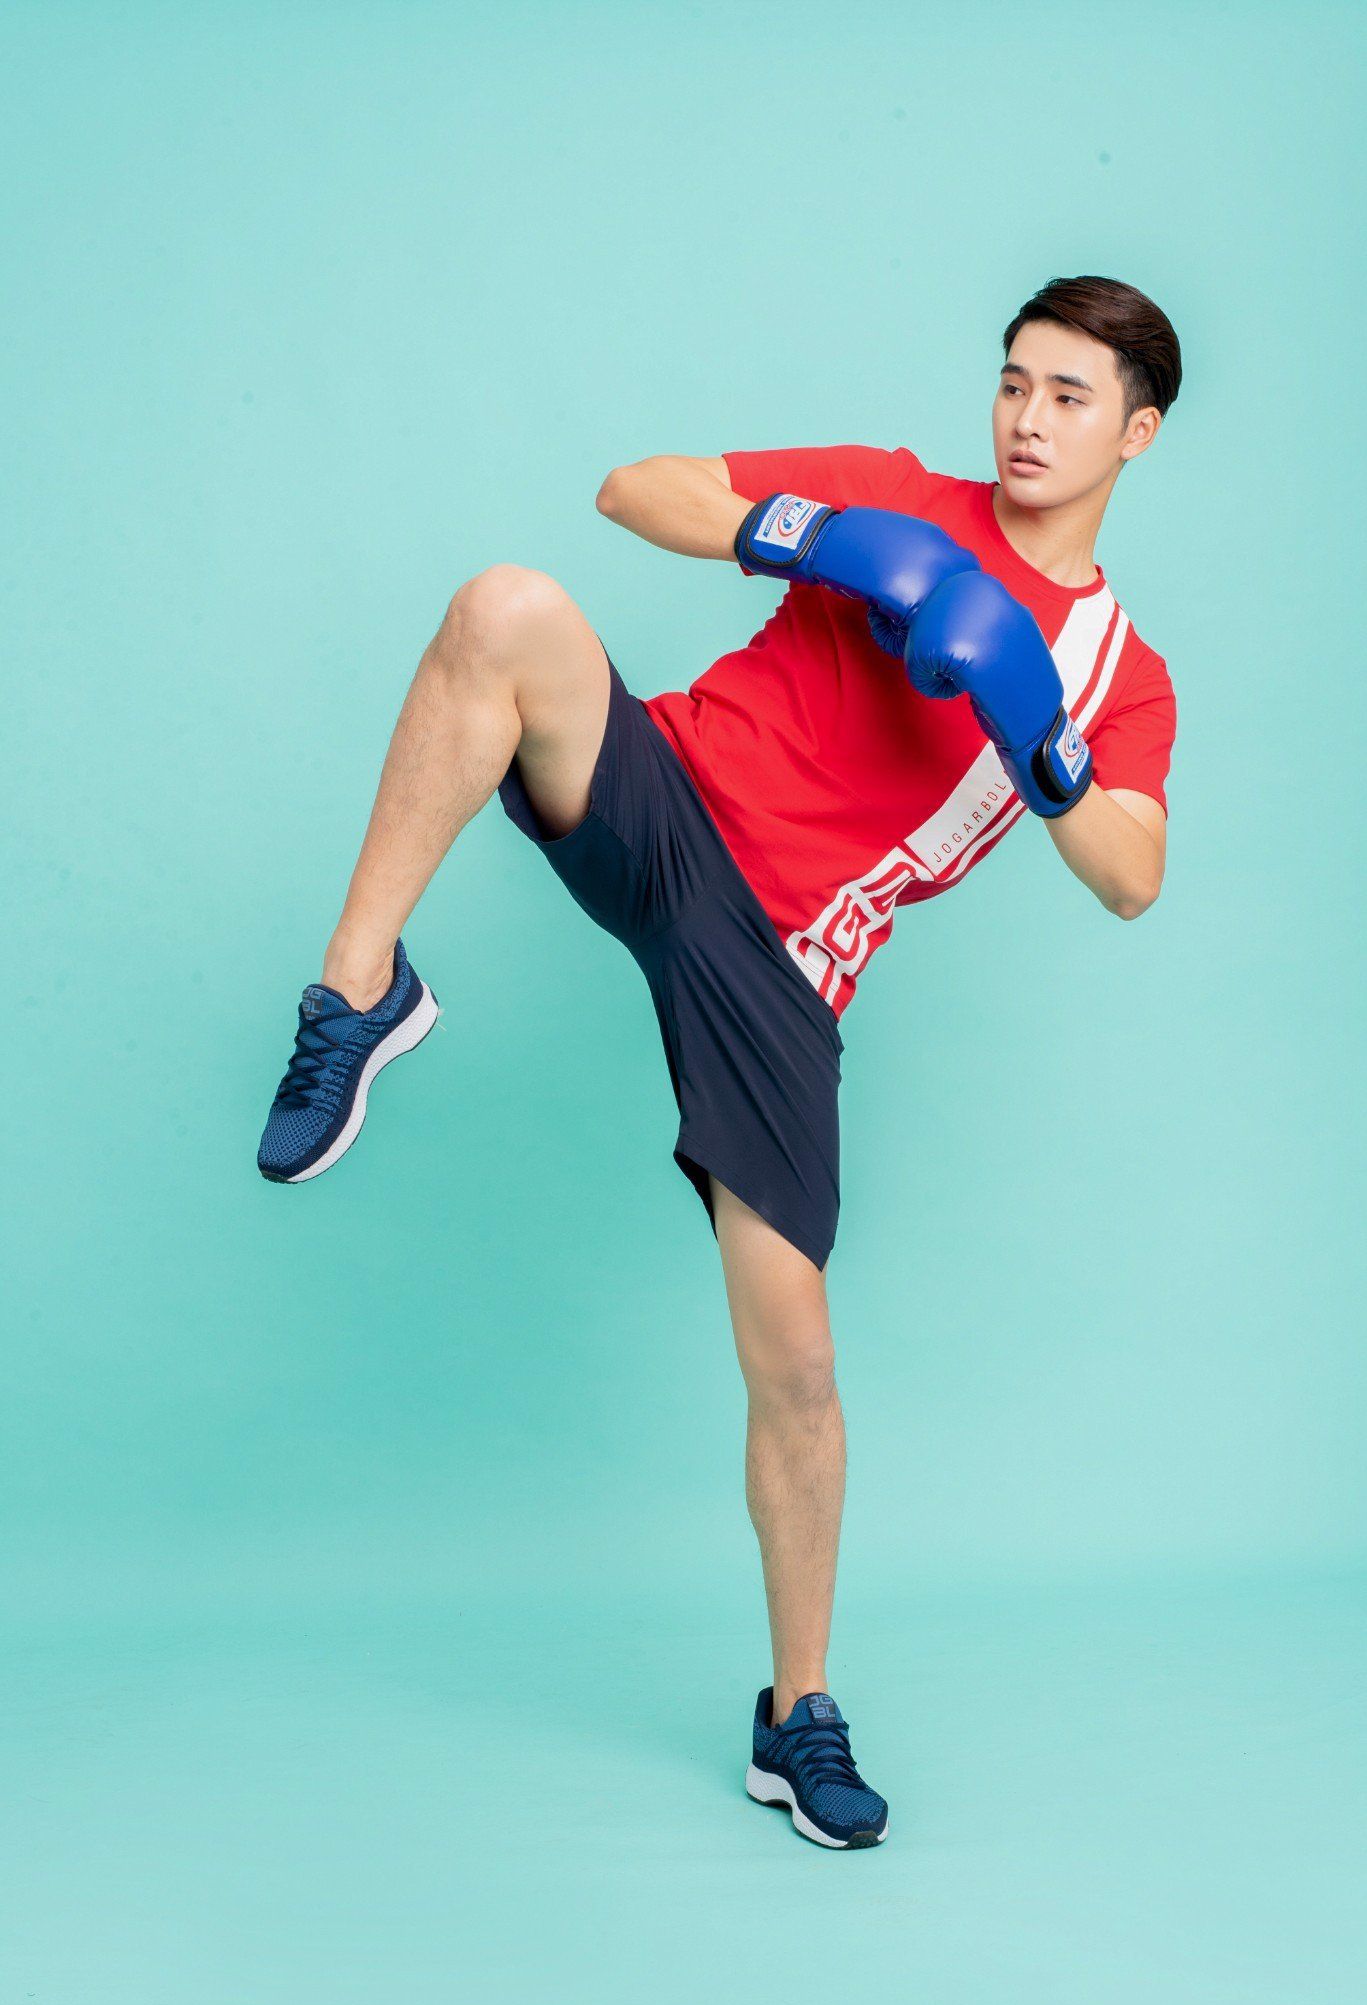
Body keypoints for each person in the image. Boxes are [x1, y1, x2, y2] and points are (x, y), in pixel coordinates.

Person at [257, 274, 1179, 1850]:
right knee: (503, 607)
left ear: (1136, 435)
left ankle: (795, 1715)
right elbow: (637, 491)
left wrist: (1035, 725)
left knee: (797, 1368)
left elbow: (1132, 873)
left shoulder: (1117, 674)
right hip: (666, 803)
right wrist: (821, 539)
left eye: (1069, 397)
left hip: (786, 963)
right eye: (1014, 382)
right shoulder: (901, 494)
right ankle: (360, 988)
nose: (1028, 420)